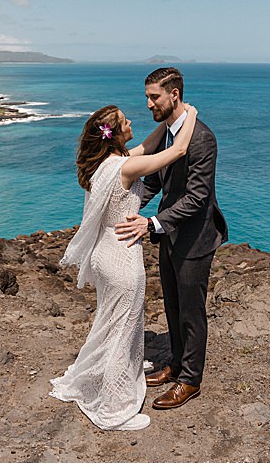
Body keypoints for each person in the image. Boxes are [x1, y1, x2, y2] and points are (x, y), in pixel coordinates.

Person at [49, 102, 198, 430]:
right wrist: (191, 114)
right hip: (121, 259)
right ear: (114, 134)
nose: (133, 121)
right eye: (125, 121)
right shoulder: (125, 168)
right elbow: (179, 150)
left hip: (103, 255)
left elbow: (147, 146)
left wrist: (166, 125)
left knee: (109, 323)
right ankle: (114, 411)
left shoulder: (105, 164)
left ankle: (99, 381)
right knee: (123, 331)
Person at [112, 67, 229, 411]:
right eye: (147, 96)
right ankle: (176, 364)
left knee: (191, 312)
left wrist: (151, 224)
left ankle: (190, 380)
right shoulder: (167, 134)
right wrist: (127, 206)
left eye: (154, 97)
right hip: (169, 234)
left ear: (174, 95)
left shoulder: (203, 139)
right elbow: (154, 181)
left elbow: (197, 197)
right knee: (172, 305)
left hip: (195, 238)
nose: (148, 104)